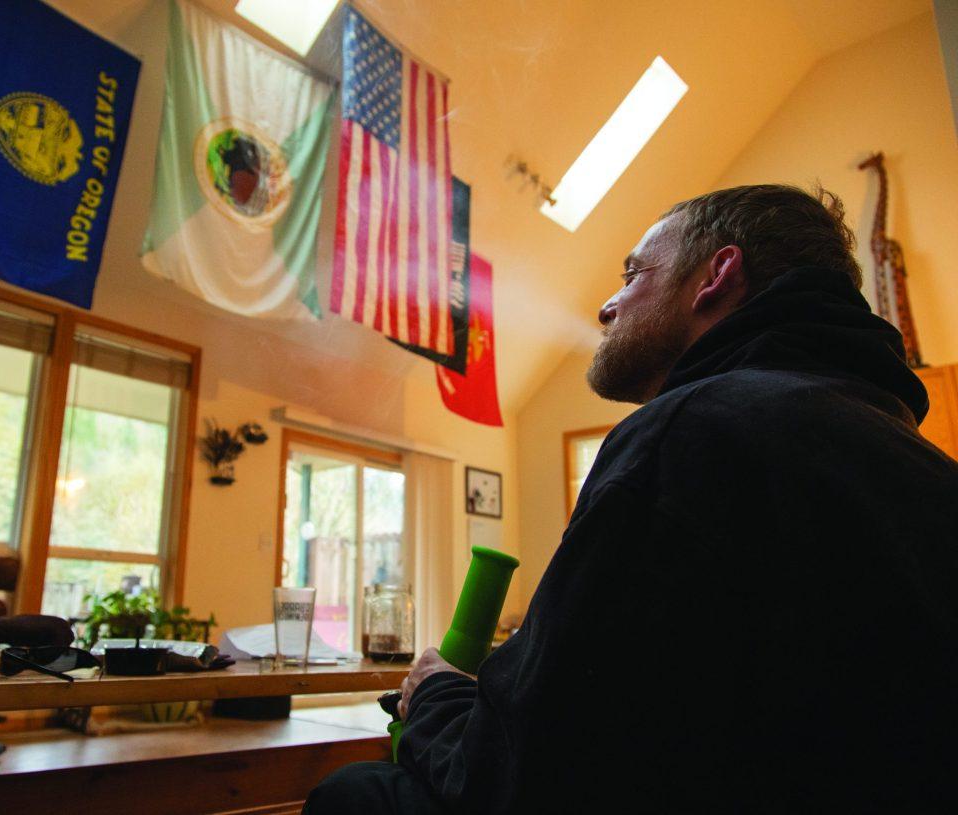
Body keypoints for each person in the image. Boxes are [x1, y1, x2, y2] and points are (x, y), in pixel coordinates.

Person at [304, 185, 958, 814]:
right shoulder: (919, 460)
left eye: (632, 273)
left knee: (353, 792)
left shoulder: (690, 430)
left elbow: (521, 776)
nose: (606, 306)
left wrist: (438, 693)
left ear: (715, 275)